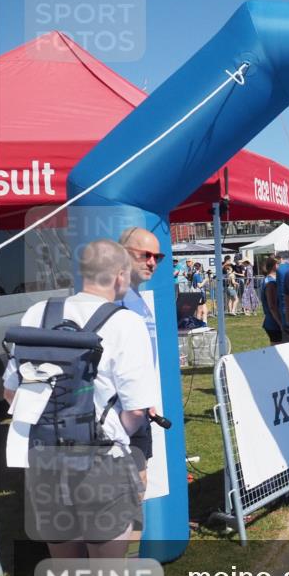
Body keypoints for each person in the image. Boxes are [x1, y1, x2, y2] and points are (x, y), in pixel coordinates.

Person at [4, 239, 157, 576]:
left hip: (46, 463)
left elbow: (12, 392)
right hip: (102, 464)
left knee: (63, 572)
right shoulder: (126, 324)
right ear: (118, 277)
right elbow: (136, 409)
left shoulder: (36, 315)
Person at [116, 227, 163, 536]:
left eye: (157, 256)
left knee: (138, 488)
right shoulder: (115, 299)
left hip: (137, 411)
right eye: (144, 255)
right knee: (124, 496)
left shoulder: (137, 298)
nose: (152, 262)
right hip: (120, 418)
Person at [260, 257, 283, 344]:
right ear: (275, 266)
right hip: (274, 323)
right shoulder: (271, 283)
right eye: (280, 264)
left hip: (271, 321)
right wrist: (280, 324)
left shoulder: (267, 279)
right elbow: (272, 306)